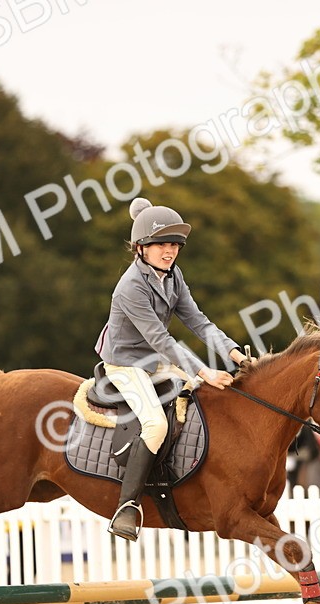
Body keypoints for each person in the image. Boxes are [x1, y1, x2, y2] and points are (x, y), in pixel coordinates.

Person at [94, 197, 251, 541]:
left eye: (174, 245)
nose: (169, 252)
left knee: (201, 401)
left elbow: (199, 321)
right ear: (141, 248)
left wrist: (236, 355)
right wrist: (205, 372)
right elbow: (160, 338)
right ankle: (127, 507)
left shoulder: (173, 276)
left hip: (154, 361)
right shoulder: (130, 287)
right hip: (125, 363)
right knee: (155, 424)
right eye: (161, 245)